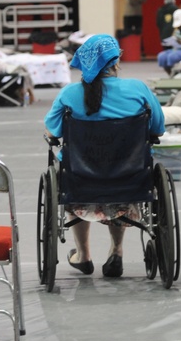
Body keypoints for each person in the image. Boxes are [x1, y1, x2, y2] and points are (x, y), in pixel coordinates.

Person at [44, 34, 165, 278]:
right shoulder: (138, 89)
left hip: (81, 179)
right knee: (124, 180)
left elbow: (52, 132)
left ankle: (83, 255)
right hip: (129, 177)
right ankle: (116, 252)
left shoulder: (69, 94)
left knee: (66, 176)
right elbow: (157, 129)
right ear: (115, 61)